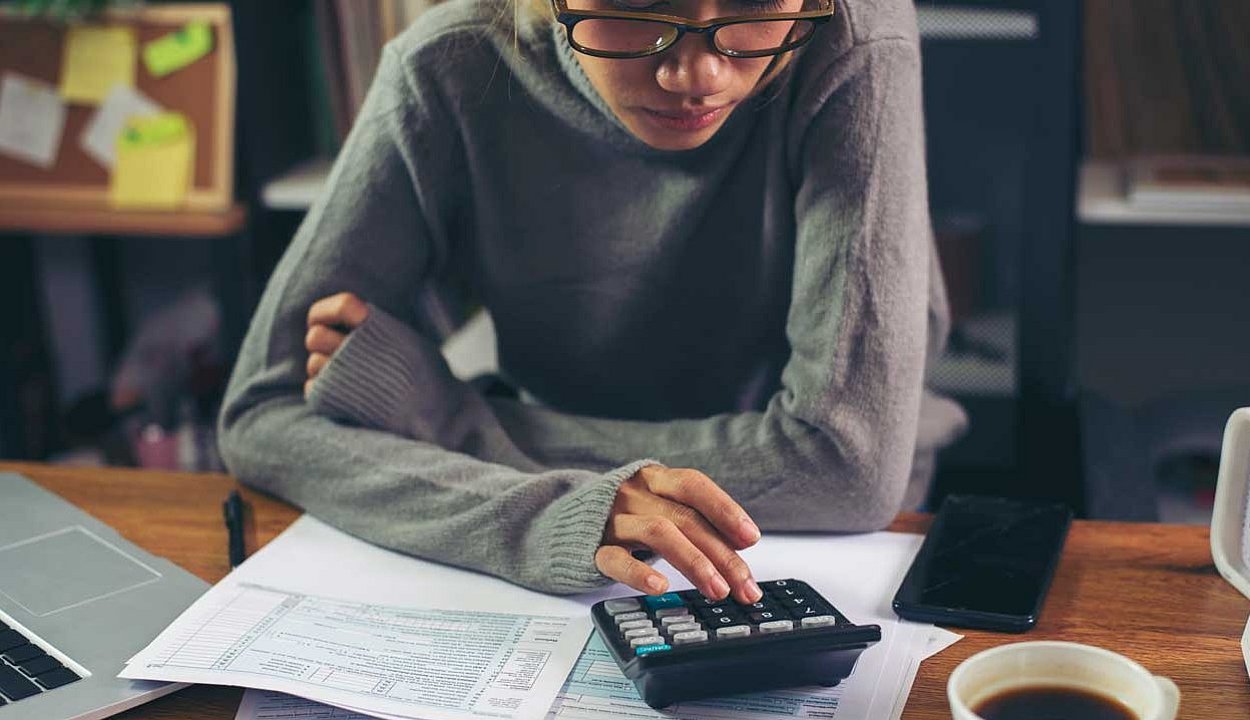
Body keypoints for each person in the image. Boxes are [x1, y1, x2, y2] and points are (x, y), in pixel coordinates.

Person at [218, 0, 967, 605]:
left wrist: (453, 421)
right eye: (639, 6)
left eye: (751, 4)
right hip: (549, 519)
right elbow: (265, 412)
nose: (698, 74)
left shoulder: (849, 35)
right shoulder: (447, 66)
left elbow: (847, 468)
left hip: (811, 537)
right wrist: (556, 513)